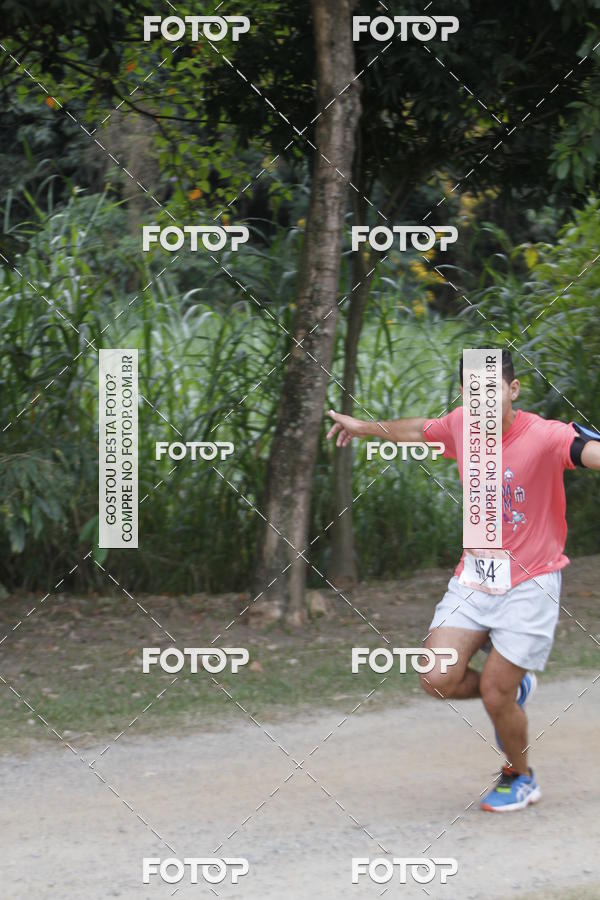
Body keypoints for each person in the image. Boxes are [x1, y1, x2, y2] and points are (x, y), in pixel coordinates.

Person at [326, 349, 600, 812]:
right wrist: (363, 427)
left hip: (529, 584)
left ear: (513, 390)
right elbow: (419, 430)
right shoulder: (461, 425)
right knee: (435, 678)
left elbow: (587, 449)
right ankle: (514, 690)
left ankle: (520, 776)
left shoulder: (546, 436)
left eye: (494, 392)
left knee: (495, 692)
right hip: (473, 579)